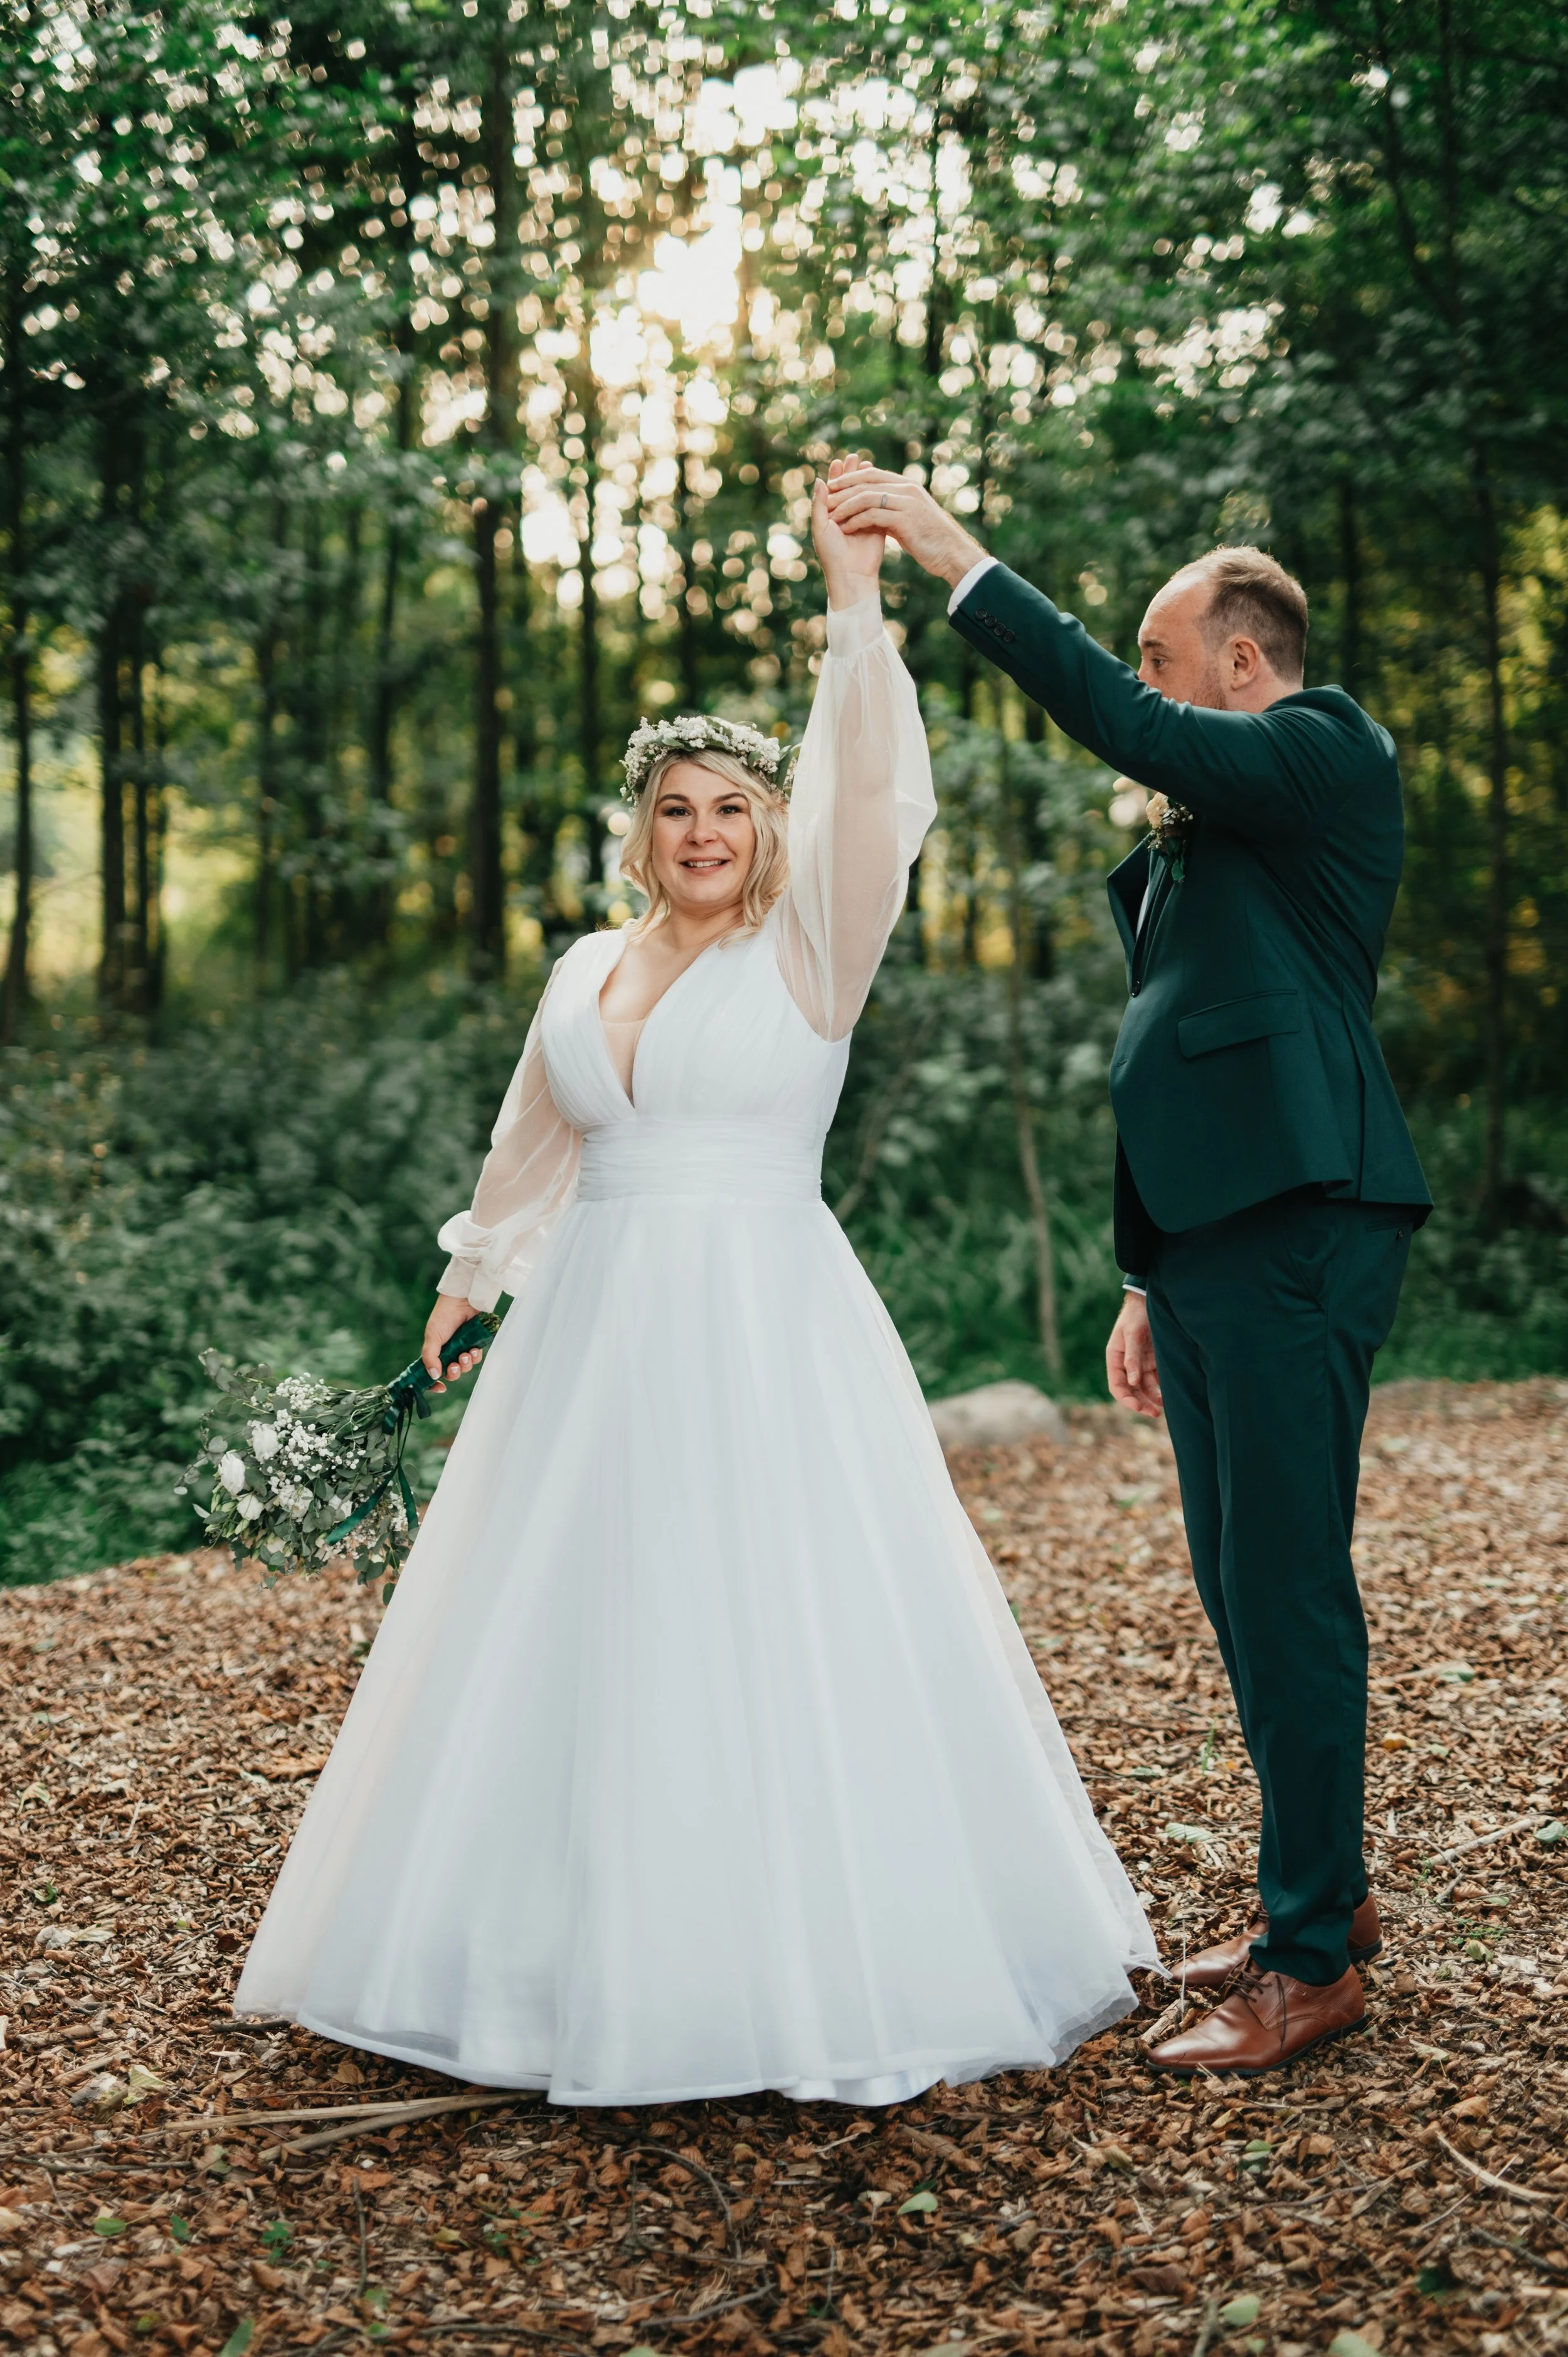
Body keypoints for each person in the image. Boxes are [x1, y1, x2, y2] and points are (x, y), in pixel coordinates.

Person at [233, 461, 1155, 2107]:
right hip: (590, 1332)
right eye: (679, 810)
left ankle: (789, 1961)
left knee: (765, 1614)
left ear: (765, 832)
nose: (708, 833)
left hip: (762, 1321)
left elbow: (868, 795)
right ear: (640, 833)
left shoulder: (811, 948)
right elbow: (535, 1136)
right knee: (576, 1616)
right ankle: (548, 1950)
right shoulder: (584, 967)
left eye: (733, 808)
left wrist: (853, 603)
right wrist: (471, 1275)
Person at [828, 462, 1429, 2077]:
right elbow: (1176, 1053)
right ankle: (1327, 1894)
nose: (1147, 688)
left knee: (1289, 1588)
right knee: (1239, 1585)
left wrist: (958, 561)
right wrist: (1141, 1272)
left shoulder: (1320, 744)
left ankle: (1309, 1966)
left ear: (1242, 658)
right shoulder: (1223, 811)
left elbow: (1134, 732)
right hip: (1215, 1237)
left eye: (1163, 658)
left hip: (1308, 1216)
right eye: (1147, 667)